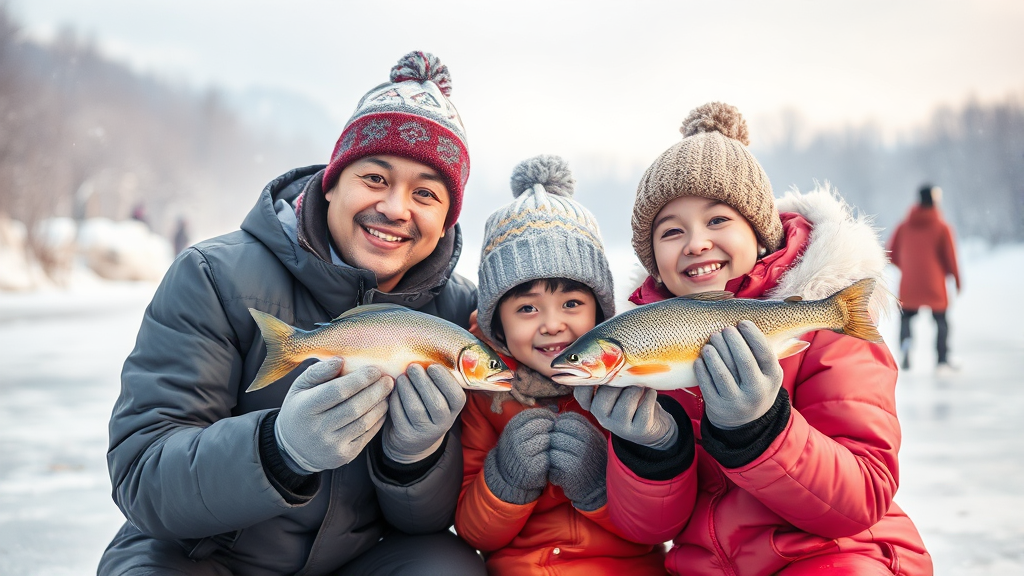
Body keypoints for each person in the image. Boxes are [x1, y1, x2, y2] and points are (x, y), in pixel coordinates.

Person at [99, 51, 487, 575]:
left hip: (351, 562)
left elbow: (428, 522)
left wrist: (415, 459)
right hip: (205, 557)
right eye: (375, 178)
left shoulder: (459, 315)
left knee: (447, 565)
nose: (396, 208)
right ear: (331, 183)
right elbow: (143, 477)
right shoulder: (213, 275)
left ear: (446, 222)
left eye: (425, 193)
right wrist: (279, 450)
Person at [576, 103, 933, 575]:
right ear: (653, 258)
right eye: (672, 231)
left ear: (760, 233)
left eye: (717, 221)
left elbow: (863, 496)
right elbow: (649, 530)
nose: (696, 243)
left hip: (836, 557)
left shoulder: (823, 330)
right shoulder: (642, 347)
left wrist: (762, 428)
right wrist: (651, 449)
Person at [455, 156, 668, 574]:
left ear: (600, 312)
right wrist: (506, 479)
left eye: (571, 303)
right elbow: (473, 534)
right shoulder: (484, 393)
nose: (552, 325)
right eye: (527, 308)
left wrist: (597, 486)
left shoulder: (630, 384)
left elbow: (657, 524)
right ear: (498, 324)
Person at [887, 184, 961, 371]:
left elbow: (890, 253)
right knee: (941, 320)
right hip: (934, 284)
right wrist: (956, 279)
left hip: (910, 284)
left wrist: (908, 267)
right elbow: (951, 257)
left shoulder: (903, 226)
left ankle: (906, 348)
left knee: (906, 318)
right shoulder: (942, 227)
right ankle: (942, 359)